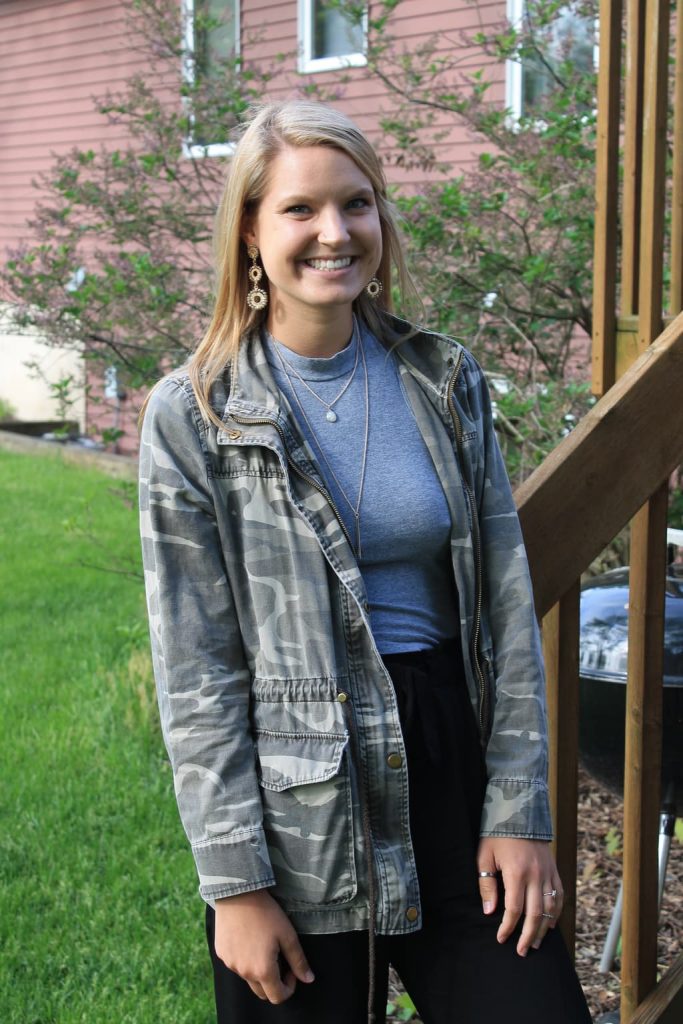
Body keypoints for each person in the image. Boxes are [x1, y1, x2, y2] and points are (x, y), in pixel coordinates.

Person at [139, 100, 592, 1024]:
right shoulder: (194, 417)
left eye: (357, 204)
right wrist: (234, 886)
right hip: (297, 803)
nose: (334, 233)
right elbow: (196, 670)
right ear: (251, 236)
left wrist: (518, 810)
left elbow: (506, 608)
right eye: (300, 209)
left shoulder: (442, 378)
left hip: (447, 769)